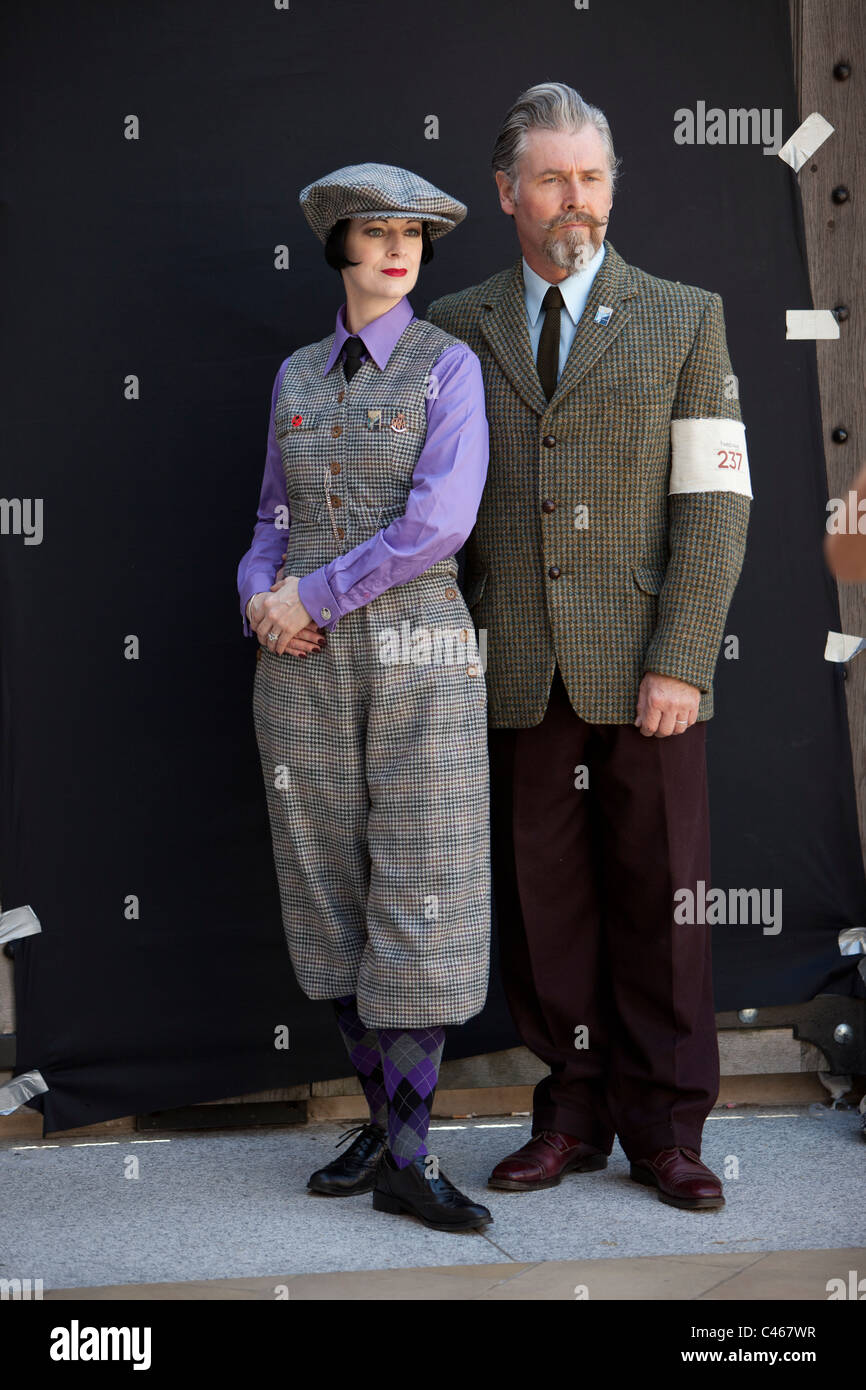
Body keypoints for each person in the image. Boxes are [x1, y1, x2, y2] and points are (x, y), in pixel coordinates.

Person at [427, 83, 752, 1210]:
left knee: (665, 903)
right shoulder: (455, 327)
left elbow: (714, 503)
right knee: (543, 907)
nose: (577, 199)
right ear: (507, 191)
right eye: (555, 178)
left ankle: (666, 1129)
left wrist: (683, 656)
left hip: (645, 673)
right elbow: (434, 512)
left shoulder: (684, 316)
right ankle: (566, 1115)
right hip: (510, 672)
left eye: (594, 177)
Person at [237, 163, 493, 1231]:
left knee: (420, 887)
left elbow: (439, 524)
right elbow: (267, 519)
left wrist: (312, 596)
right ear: (336, 243)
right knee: (326, 882)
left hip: (418, 651)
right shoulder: (296, 374)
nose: (396, 249)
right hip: (298, 660)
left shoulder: (448, 368)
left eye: (413, 234)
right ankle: (387, 1133)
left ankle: (413, 1152)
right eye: (374, 231)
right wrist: (259, 598)